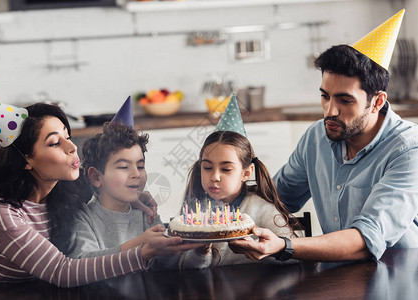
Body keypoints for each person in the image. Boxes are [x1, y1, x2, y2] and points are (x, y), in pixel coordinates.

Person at [230, 9, 418, 262]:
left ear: (377, 102)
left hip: (398, 275)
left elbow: (367, 239)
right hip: (338, 272)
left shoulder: (408, 150)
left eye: (345, 100)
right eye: (325, 96)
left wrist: (284, 246)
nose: (331, 111)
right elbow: (277, 197)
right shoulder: (316, 137)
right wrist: (220, 196)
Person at [0, 97, 201, 287]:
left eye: (67, 137)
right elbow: (62, 271)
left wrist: (133, 193)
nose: (71, 147)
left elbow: (108, 182)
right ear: (26, 160)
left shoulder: (68, 188)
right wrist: (142, 252)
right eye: (54, 143)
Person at [178, 95, 299, 269]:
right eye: (207, 168)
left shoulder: (261, 208)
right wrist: (200, 253)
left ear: (246, 173)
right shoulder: (196, 213)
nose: (215, 176)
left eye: (226, 169)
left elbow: (294, 253)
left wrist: (267, 249)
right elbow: (184, 268)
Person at [67, 100, 180, 270]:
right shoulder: (84, 218)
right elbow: (82, 262)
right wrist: (139, 244)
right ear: (96, 177)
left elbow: (166, 265)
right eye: (123, 167)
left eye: (140, 166)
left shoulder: (146, 213)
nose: (136, 174)